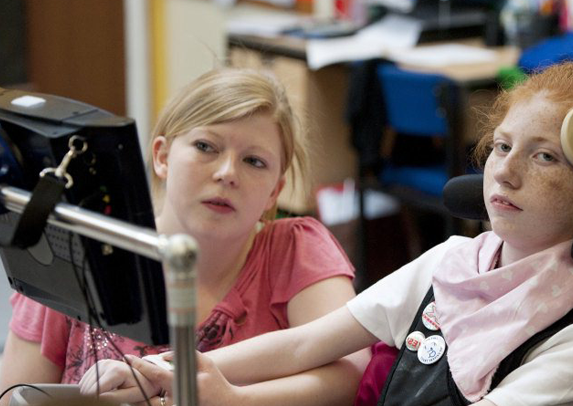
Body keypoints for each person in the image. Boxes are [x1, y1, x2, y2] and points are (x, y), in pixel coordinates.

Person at [81, 61, 573, 406]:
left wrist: (229, 402)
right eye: (502, 146)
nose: (502, 169)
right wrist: (170, 369)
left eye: (544, 158)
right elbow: (304, 345)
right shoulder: (452, 261)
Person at [0, 67, 369, 406]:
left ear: (275, 191)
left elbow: (353, 374)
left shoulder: (296, 249)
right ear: (162, 156)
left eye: (254, 161)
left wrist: (233, 401)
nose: (227, 173)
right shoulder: (82, 245)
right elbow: (14, 395)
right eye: (206, 147)